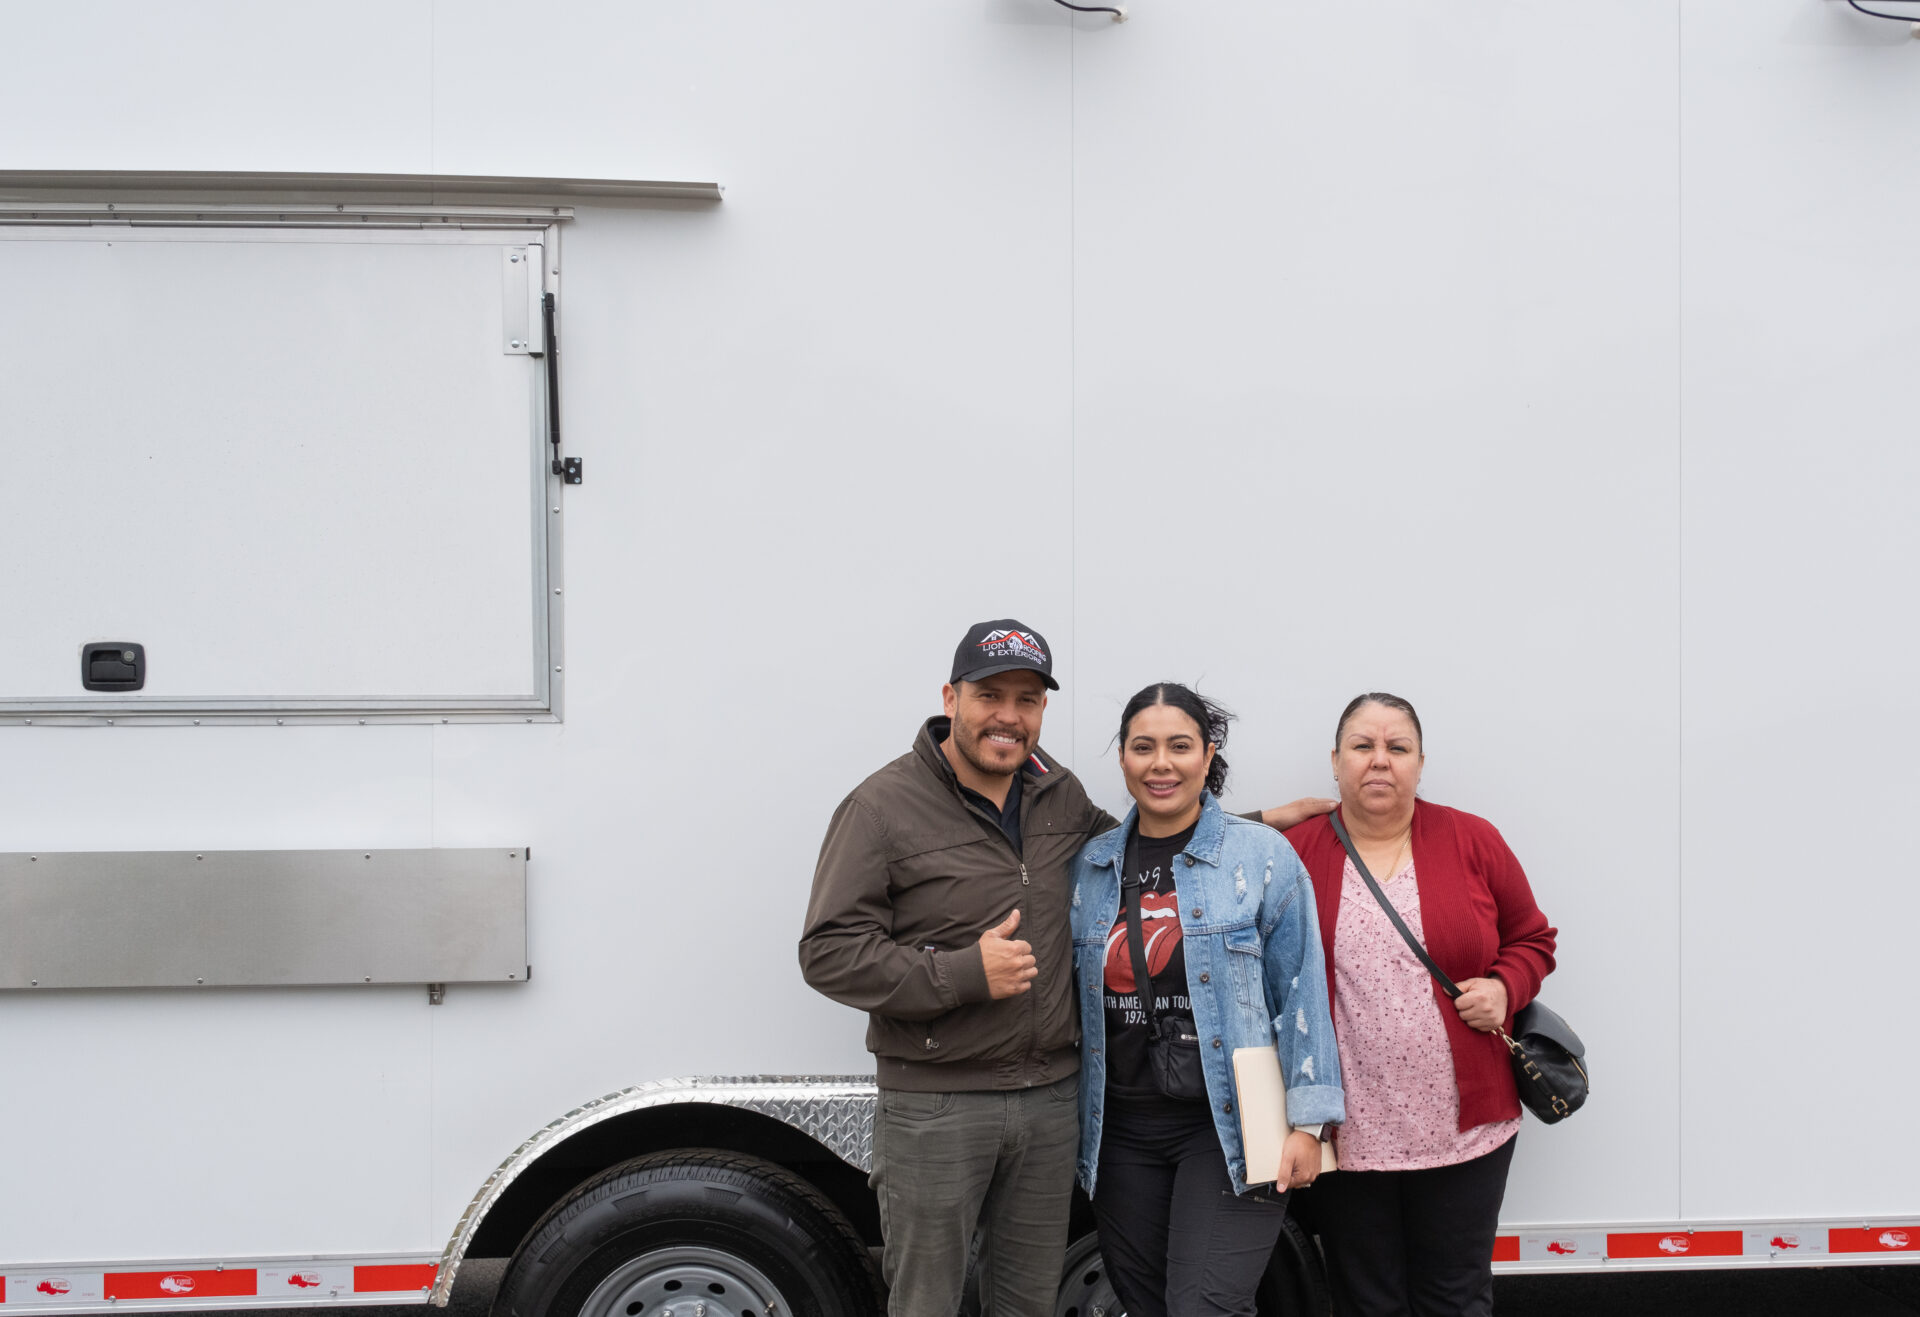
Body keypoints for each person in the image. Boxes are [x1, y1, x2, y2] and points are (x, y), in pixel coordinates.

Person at [799, 623, 1331, 1317]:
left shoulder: (1058, 795)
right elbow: (828, 950)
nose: (1008, 715)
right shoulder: (881, 806)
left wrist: (1253, 830)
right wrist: (962, 973)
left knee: (1028, 1304)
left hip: (1056, 1104)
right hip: (940, 1103)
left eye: (1027, 698)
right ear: (950, 697)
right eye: (989, 694)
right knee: (927, 1301)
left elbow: (1163, 847)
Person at [1069, 682, 1346, 1317]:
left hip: (1226, 1128)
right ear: (1123, 759)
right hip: (1119, 1134)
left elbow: (1302, 989)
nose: (1160, 763)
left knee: (1205, 1308)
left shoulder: (1261, 857)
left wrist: (1308, 1123)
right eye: (1143, 747)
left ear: (1207, 753)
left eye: (1179, 746)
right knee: (1147, 1306)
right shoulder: (1092, 866)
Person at [1284, 692, 1557, 1317]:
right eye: (1362, 746)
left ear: (1420, 763)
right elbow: (1189, 834)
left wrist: (1504, 988)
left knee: (1453, 1296)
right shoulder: (1296, 851)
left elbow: (1532, 939)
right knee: (1365, 1299)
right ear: (1335, 760)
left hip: (1466, 1126)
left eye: (1397, 747)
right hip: (1346, 1130)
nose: (1380, 761)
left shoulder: (1472, 839)